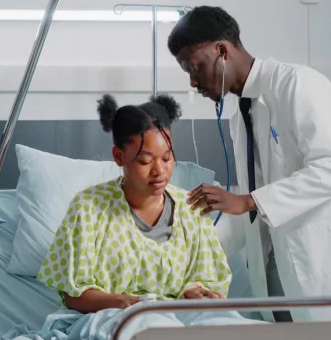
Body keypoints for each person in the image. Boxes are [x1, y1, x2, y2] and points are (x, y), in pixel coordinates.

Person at [167, 6, 331, 330]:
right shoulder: (240, 115)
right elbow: (252, 206)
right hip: (279, 267)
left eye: (194, 66)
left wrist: (247, 201)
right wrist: (195, 265)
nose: (193, 81)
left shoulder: (298, 85)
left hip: (327, 261)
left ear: (221, 51)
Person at [36, 93, 232, 313]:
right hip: (111, 321)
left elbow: (211, 284)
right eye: (145, 161)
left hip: (181, 323)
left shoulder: (192, 209)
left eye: (167, 158)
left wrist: (195, 293)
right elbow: (73, 296)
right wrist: (125, 304)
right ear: (119, 157)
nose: (160, 171)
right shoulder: (88, 209)